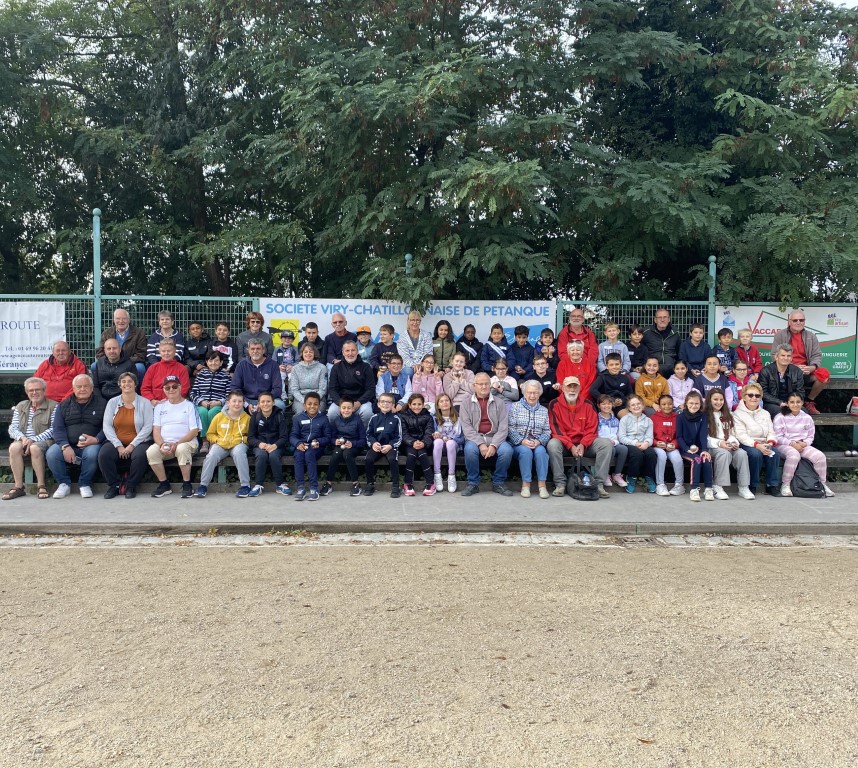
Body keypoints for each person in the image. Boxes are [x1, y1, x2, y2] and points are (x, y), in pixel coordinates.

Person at [546, 376, 613, 498]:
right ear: (562, 388)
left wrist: (583, 444)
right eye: (569, 386)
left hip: (585, 444)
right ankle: (560, 483)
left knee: (606, 444)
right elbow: (556, 430)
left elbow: (592, 429)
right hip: (565, 443)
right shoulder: (554, 404)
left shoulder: (588, 404)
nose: (572, 389)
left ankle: (598, 484)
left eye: (575, 386)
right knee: (552, 444)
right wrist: (571, 445)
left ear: (579, 388)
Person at [45, 374, 107, 499]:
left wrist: (96, 439)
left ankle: (84, 484)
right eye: (79, 387)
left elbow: (108, 427)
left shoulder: (103, 403)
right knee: (52, 453)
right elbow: (57, 428)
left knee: (92, 454)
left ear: (92, 388)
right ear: (73, 388)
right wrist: (65, 446)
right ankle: (63, 484)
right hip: (67, 443)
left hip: (92, 444)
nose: (82, 389)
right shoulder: (63, 405)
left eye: (86, 386)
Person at [98, 372, 154, 499]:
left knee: (139, 456)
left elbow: (148, 427)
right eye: (123, 381)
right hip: (116, 441)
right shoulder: (112, 402)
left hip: (140, 441)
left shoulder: (145, 403)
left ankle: (131, 486)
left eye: (130, 381)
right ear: (119, 385)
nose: (126, 384)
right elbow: (107, 426)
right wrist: (118, 446)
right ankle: (114, 486)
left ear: (135, 384)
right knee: (104, 454)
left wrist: (131, 446)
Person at [459, 372, 514, 496]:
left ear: (490, 385)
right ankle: (473, 483)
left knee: (507, 451)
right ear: (474, 386)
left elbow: (503, 428)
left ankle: (498, 482)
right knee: (469, 450)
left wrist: (494, 445)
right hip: (475, 438)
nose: (483, 387)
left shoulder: (499, 402)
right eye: (480, 384)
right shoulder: (466, 403)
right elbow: (467, 428)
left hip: (494, 437)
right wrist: (480, 444)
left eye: (486, 384)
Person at [147, 376, 201, 499]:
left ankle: (187, 484)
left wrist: (176, 443)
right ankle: (164, 484)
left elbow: (194, 431)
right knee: (151, 452)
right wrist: (161, 444)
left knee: (182, 448)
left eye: (174, 386)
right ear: (164, 390)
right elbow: (156, 430)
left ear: (180, 387)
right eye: (167, 387)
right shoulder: (159, 407)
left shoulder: (189, 406)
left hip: (187, 442)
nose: (171, 389)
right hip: (165, 443)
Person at [3, 377, 57, 501]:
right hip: (23, 439)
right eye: (31, 390)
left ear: (44, 391)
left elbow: (54, 429)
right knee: (14, 447)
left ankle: (41, 485)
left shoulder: (53, 405)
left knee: (34, 448)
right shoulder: (21, 406)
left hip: (44, 440)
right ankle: (18, 487)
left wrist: (33, 439)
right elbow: (13, 428)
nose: (34, 393)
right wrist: (22, 438)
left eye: (37, 389)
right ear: (27, 392)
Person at [773, 393, 834, 497]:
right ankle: (786, 484)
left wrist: (805, 443)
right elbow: (777, 437)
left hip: (802, 445)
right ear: (787, 403)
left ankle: (822, 484)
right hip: (784, 445)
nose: (795, 404)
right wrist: (792, 444)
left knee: (820, 457)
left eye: (798, 402)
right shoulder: (780, 417)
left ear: (802, 403)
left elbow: (810, 436)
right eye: (792, 402)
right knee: (793, 455)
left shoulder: (807, 418)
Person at [194, 391, 252, 499]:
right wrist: (217, 440)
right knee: (211, 455)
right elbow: (210, 434)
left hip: (238, 444)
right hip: (221, 443)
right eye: (234, 401)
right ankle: (203, 485)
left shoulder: (247, 418)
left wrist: (241, 440)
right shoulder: (219, 416)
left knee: (240, 454)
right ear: (228, 403)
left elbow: (250, 436)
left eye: (240, 401)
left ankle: (245, 486)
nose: (237, 404)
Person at [770, 310, 827, 415]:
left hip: (806, 370)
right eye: (795, 320)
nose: (798, 322)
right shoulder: (780, 335)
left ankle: (809, 402)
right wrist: (791, 367)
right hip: (787, 369)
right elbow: (774, 355)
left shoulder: (811, 336)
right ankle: (788, 404)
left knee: (824, 375)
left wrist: (812, 367)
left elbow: (817, 355)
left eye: (801, 320)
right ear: (789, 321)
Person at [732, 382, 781, 497]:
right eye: (750, 395)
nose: (754, 398)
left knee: (775, 453)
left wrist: (770, 442)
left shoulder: (765, 413)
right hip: (748, 443)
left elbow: (771, 431)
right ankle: (752, 485)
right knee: (755, 454)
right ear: (744, 397)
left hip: (765, 442)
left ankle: (771, 485)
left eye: (757, 396)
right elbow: (741, 435)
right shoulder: (737, 414)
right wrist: (756, 445)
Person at [704, 389, 754, 500]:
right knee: (724, 454)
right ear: (709, 400)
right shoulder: (704, 416)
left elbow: (732, 433)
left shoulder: (728, 414)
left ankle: (743, 487)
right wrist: (719, 443)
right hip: (712, 446)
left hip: (726, 444)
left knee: (742, 453)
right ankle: (718, 486)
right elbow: (704, 438)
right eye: (715, 399)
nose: (719, 402)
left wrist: (733, 442)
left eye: (721, 399)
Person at [508, 380, 551, 498]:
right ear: (524, 393)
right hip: (519, 444)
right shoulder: (515, 407)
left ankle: (542, 486)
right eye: (529, 392)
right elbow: (510, 428)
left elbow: (547, 431)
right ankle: (525, 485)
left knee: (542, 452)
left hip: (537, 443)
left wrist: (539, 441)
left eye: (535, 393)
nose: (532, 396)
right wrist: (522, 441)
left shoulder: (544, 410)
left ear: (539, 394)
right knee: (525, 451)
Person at [321, 397, 367, 497]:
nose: (346, 410)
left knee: (347, 454)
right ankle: (328, 483)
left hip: (354, 446)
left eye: (349, 408)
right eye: (344, 408)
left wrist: (353, 444)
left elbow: (363, 440)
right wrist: (335, 441)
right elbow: (331, 437)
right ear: (340, 409)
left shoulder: (358, 420)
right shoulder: (336, 420)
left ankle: (356, 484)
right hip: (340, 445)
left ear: (353, 409)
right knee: (336, 455)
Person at [247, 391, 291, 496]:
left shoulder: (279, 416)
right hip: (261, 445)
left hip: (276, 445)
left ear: (273, 403)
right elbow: (251, 437)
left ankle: (280, 485)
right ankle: (258, 485)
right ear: (258, 404)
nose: (265, 404)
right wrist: (259, 444)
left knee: (273, 456)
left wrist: (275, 445)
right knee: (261, 455)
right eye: (262, 402)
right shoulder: (255, 416)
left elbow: (284, 437)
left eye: (268, 401)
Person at [290, 391, 331, 501]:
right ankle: (301, 488)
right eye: (309, 404)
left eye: (315, 404)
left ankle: (314, 488)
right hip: (302, 446)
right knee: (298, 456)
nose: (312, 406)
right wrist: (298, 443)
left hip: (316, 447)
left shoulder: (323, 418)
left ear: (319, 405)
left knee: (309, 454)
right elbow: (293, 436)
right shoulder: (298, 418)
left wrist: (319, 442)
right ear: (304, 405)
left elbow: (328, 437)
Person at [676, 391, 715, 502]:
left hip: (699, 448)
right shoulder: (681, 417)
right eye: (691, 403)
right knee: (696, 460)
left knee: (706, 459)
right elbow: (679, 437)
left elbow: (703, 435)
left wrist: (704, 450)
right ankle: (694, 489)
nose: (694, 406)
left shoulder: (703, 416)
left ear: (700, 404)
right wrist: (686, 448)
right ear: (686, 404)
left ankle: (708, 488)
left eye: (697, 403)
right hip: (686, 449)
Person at [190, 350, 232, 450]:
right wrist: (201, 402)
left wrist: (219, 402)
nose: (213, 363)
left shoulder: (225, 376)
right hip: (202, 403)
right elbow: (193, 393)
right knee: (202, 412)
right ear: (207, 362)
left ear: (221, 362)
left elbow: (229, 394)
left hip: (218, 403)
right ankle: (205, 440)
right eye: (210, 360)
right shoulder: (201, 375)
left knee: (213, 412)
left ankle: (213, 440)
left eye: (216, 361)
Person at [364, 392, 403, 498]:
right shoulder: (374, 418)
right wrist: (373, 443)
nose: (385, 404)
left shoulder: (396, 419)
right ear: (378, 404)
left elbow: (398, 437)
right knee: (368, 459)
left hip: (390, 447)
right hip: (377, 446)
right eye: (383, 402)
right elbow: (368, 434)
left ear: (393, 405)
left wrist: (391, 445)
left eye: (388, 402)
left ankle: (396, 486)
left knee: (392, 459)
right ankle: (370, 484)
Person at [327, 340, 375, 426]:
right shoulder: (336, 367)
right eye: (347, 350)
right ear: (343, 352)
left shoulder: (366, 367)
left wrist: (359, 402)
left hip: (361, 401)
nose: (350, 353)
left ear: (357, 351)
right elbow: (332, 389)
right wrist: (341, 404)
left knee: (367, 413)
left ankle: (363, 437)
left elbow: (370, 389)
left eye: (353, 350)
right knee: (331, 413)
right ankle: (335, 437)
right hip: (341, 401)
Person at [618, 395, 658, 494]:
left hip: (643, 443)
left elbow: (650, 437)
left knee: (651, 454)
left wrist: (646, 443)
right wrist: (634, 443)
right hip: (630, 443)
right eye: (633, 405)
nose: (636, 406)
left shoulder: (648, 420)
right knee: (637, 455)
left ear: (643, 405)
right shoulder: (625, 419)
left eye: (638, 404)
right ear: (629, 408)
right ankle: (631, 477)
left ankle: (649, 477)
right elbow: (622, 437)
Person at [399, 393, 437, 496]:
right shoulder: (403, 417)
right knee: (411, 455)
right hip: (408, 444)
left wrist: (423, 443)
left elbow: (429, 432)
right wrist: (412, 442)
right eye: (414, 404)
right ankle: (407, 484)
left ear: (423, 405)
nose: (417, 406)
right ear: (410, 405)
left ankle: (430, 484)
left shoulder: (428, 416)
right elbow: (404, 434)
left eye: (419, 404)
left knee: (422, 454)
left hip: (423, 444)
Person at [96, 308, 147, 379]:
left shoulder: (139, 333)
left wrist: (126, 362)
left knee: (140, 367)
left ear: (129, 320)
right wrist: (110, 361)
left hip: (131, 362)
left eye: (124, 319)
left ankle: (138, 389)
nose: (121, 321)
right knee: (94, 366)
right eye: (118, 318)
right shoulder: (107, 333)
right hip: (111, 362)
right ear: (114, 320)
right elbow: (100, 352)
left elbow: (141, 354)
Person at [650, 394, 685, 496]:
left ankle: (679, 485)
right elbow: (647, 435)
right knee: (661, 456)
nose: (667, 406)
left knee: (677, 458)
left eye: (669, 404)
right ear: (659, 405)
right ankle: (660, 484)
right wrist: (656, 442)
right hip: (657, 445)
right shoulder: (653, 418)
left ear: (673, 405)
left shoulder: (677, 417)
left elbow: (681, 435)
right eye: (663, 404)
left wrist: (675, 444)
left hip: (672, 445)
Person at [232, 340, 283, 410]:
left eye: (258, 349)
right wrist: (246, 403)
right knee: (227, 407)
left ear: (263, 350)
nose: (255, 351)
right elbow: (235, 387)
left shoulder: (273, 365)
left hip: (267, 399)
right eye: (252, 349)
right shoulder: (241, 365)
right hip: (246, 400)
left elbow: (277, 388)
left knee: (279, 405)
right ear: (248, 351)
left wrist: (263, 401)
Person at [758, 344, 805, 418]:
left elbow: (800, 392)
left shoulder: (797, 371)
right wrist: (780, 402)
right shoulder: (766, 371)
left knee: (803, 411)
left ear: (791, 358)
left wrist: (792, 402)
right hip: (772, 403)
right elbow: (763, 393)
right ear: (776, 357)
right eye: (783, 355)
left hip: (792, 402)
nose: (786, 358)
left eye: (788, 356)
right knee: (780, 412)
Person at [140, 338, 190, 405]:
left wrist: (168, 401)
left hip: (175, 403)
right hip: (153, 404)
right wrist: (152, 400)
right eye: (163, 351)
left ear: (175, 351)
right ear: (159, 352)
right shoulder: (152, 368)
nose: (166, 353)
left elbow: (184, 389)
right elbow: (145, 388)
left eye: (169, 351)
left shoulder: (182, 369)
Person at [431, 393, 463, 493]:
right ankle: (437, 474)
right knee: (438, 441)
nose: (444, 403)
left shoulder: (458, 418)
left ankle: (451, 476)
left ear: (451, 403)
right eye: (441, 401)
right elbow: (430, 434)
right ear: (437, 405)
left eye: (446, 400)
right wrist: (434, 435)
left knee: (450, 443)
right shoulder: (434, 419)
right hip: (439, 448)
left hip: (453, 447)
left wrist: (452, 439)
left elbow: (462, 438)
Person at [595, 394, 627, 488]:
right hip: (601, 444)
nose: (606, 406)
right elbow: (595, 434)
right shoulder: (596, 419)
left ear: (612, 405)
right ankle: (605, 474)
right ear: (598, 405)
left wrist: (614, 442)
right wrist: (606, 442)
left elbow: (619, 435)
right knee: (610, 449)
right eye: (603, 404)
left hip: (614, 443)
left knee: (623, 449)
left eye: (609, 404)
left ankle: (617, 474)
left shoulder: (616, 420)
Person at [289, 343, 328, 415]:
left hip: (318, 398)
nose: (308, 354)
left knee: (317, 413)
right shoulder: (295, 368)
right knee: (301, 413)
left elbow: (323, 389)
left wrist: (314, 401)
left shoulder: (322, 368)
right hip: (301, 399)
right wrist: (305, 401)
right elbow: (294, 389)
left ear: (314, 353)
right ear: (302, 354)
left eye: (311, 352)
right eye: (305, 352)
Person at [642, 308, 680, 377]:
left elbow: (679, 351)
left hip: (672, 369)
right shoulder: (646, 332)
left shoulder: (675, 332)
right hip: (652, 369)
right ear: (655, 320)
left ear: (669, 319)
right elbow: (641, 350)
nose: (662, 320)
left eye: (665, 317)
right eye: (660, 317)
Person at [397, 310, 433, 378]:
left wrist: (420, 364)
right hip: (408, 366)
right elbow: (404, 356)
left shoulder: (426, 335)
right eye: (412, 320)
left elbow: (428, 353)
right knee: (408, 372)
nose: (415, 322)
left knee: (428, 370)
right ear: (408, 321)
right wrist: (414, 365)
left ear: (420, 321)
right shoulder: (402, 336)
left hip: (424, 365)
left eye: (417, 320)